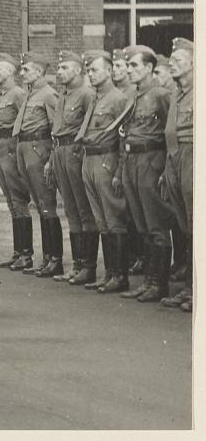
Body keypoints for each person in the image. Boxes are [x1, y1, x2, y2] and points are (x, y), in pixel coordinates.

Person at [116, 45, 172, 303]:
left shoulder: (160, 95)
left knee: (155, 225)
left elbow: (171, 133)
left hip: (151, 160)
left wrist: (166, 168)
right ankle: (148, 282)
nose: (129, 70)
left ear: (149, 68)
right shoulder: (134, 96)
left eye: (134, 65)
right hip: (131, 161)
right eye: (128, 66)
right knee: (141, 224)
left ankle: (158, 284)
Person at [75, 50, 131, 294]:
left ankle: (120, 274)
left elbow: (123, 136)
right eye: (89, 70)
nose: (91, 73)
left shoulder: (118, 98)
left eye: (95, 69)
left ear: (109, 71)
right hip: (90, 159)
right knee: (101, 219)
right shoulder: (96, 98)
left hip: (106, 159)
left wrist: (118, 168)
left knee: (113, 217)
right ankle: (110, 273)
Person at [49, 51, 98, 285]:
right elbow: (57, 128)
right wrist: (51, 158)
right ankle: (78, 265)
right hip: (60, 152)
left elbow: (89, 128)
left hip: (75, 153)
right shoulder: (63, 95)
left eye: (65, 67)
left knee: (83, 209)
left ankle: (88, 266)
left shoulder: (87, 94)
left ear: (78, 70)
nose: (60, 72)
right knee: (70, 209)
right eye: (59, 68)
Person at [13, 52, 62, 276]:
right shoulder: (30, 94)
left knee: (46, 204)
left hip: (38, 149)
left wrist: (51, 159)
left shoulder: (49, 95)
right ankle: (47, 257)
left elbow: (57, 129)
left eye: (26, 70)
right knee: (38, 204)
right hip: (25, 149)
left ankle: (55, 258)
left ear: (40, 72)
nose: (22, 73)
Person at [0, 53, 33, 269]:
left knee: (18, 201)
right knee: (10, 202)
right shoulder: (1, 96)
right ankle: (18, 252)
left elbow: (24, 125)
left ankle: (26, 253)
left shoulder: (17, 94)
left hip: (10, 149)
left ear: (11, 71)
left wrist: (17, 156)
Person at [161, 37, 193, 312]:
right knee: (185, 224)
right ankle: (189, 288)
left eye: (178, 60)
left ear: (194, 64)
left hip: (193, 155)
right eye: (171, 60)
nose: (172, 64)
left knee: (197, 226)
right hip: (175, 157)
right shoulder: (176, 93)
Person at [111, 47, 143, 277]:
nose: (116, 70)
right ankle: (131, 255)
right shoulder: (115, 92)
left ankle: (140, 256)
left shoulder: (133, 93)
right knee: (123, 209)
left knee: (135, 211)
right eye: (113, 66)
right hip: (115, 154)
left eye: (120, 66)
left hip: (132, 156)